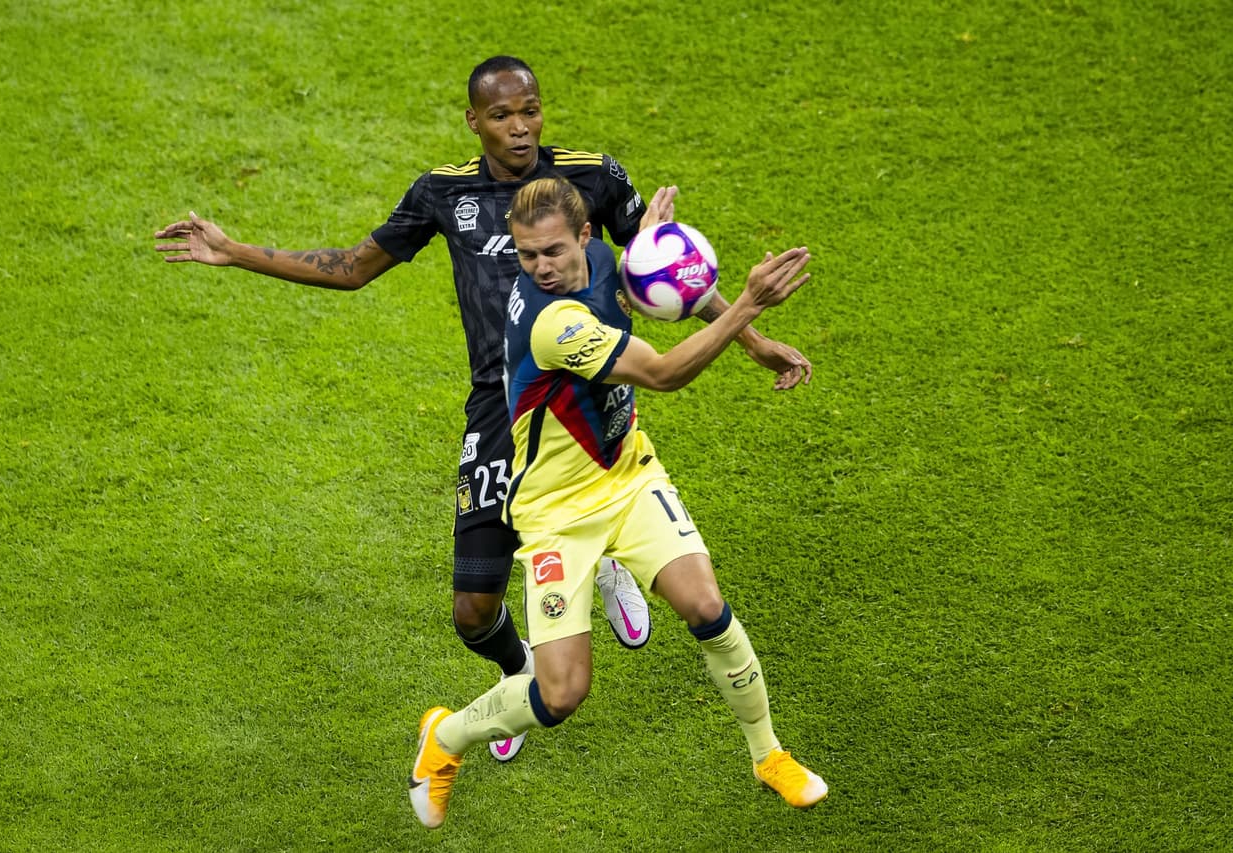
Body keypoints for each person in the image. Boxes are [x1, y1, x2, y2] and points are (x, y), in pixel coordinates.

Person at [155, 56, 810, 763]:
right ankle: (517, 671)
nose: (520, 127)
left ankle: (610, 559)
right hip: (502, 409)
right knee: (472, 611)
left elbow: (662, 266)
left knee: (641, 536)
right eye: (501, 115)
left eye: (530, 110)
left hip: (589, 393)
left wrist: (755, 341)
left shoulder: (592, 177)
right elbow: (352, 267)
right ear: (474, 121)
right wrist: (236, 251)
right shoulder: (444, 193)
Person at [407, 177, 826, 829]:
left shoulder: (601, 261)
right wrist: (749, 306)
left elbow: (662, 288)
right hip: (557, 513)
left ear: (585, 236)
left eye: (551, 251)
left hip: (629, 476)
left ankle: (769, 754)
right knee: (562, 690)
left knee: (706, 605)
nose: (539, 267)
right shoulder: (553, 322)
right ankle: (448, 736)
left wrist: (659, 256)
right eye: (525, 255)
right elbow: (662, 373)